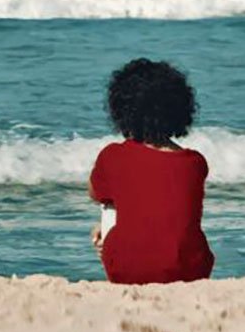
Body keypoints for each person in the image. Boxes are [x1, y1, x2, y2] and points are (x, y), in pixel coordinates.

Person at [88, 58, 214, 284]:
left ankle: (118, 250)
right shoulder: (195, 162)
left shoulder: (113, 155)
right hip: (190, 272)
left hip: (126, 270)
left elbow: (95, 193)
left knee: (109, 204)